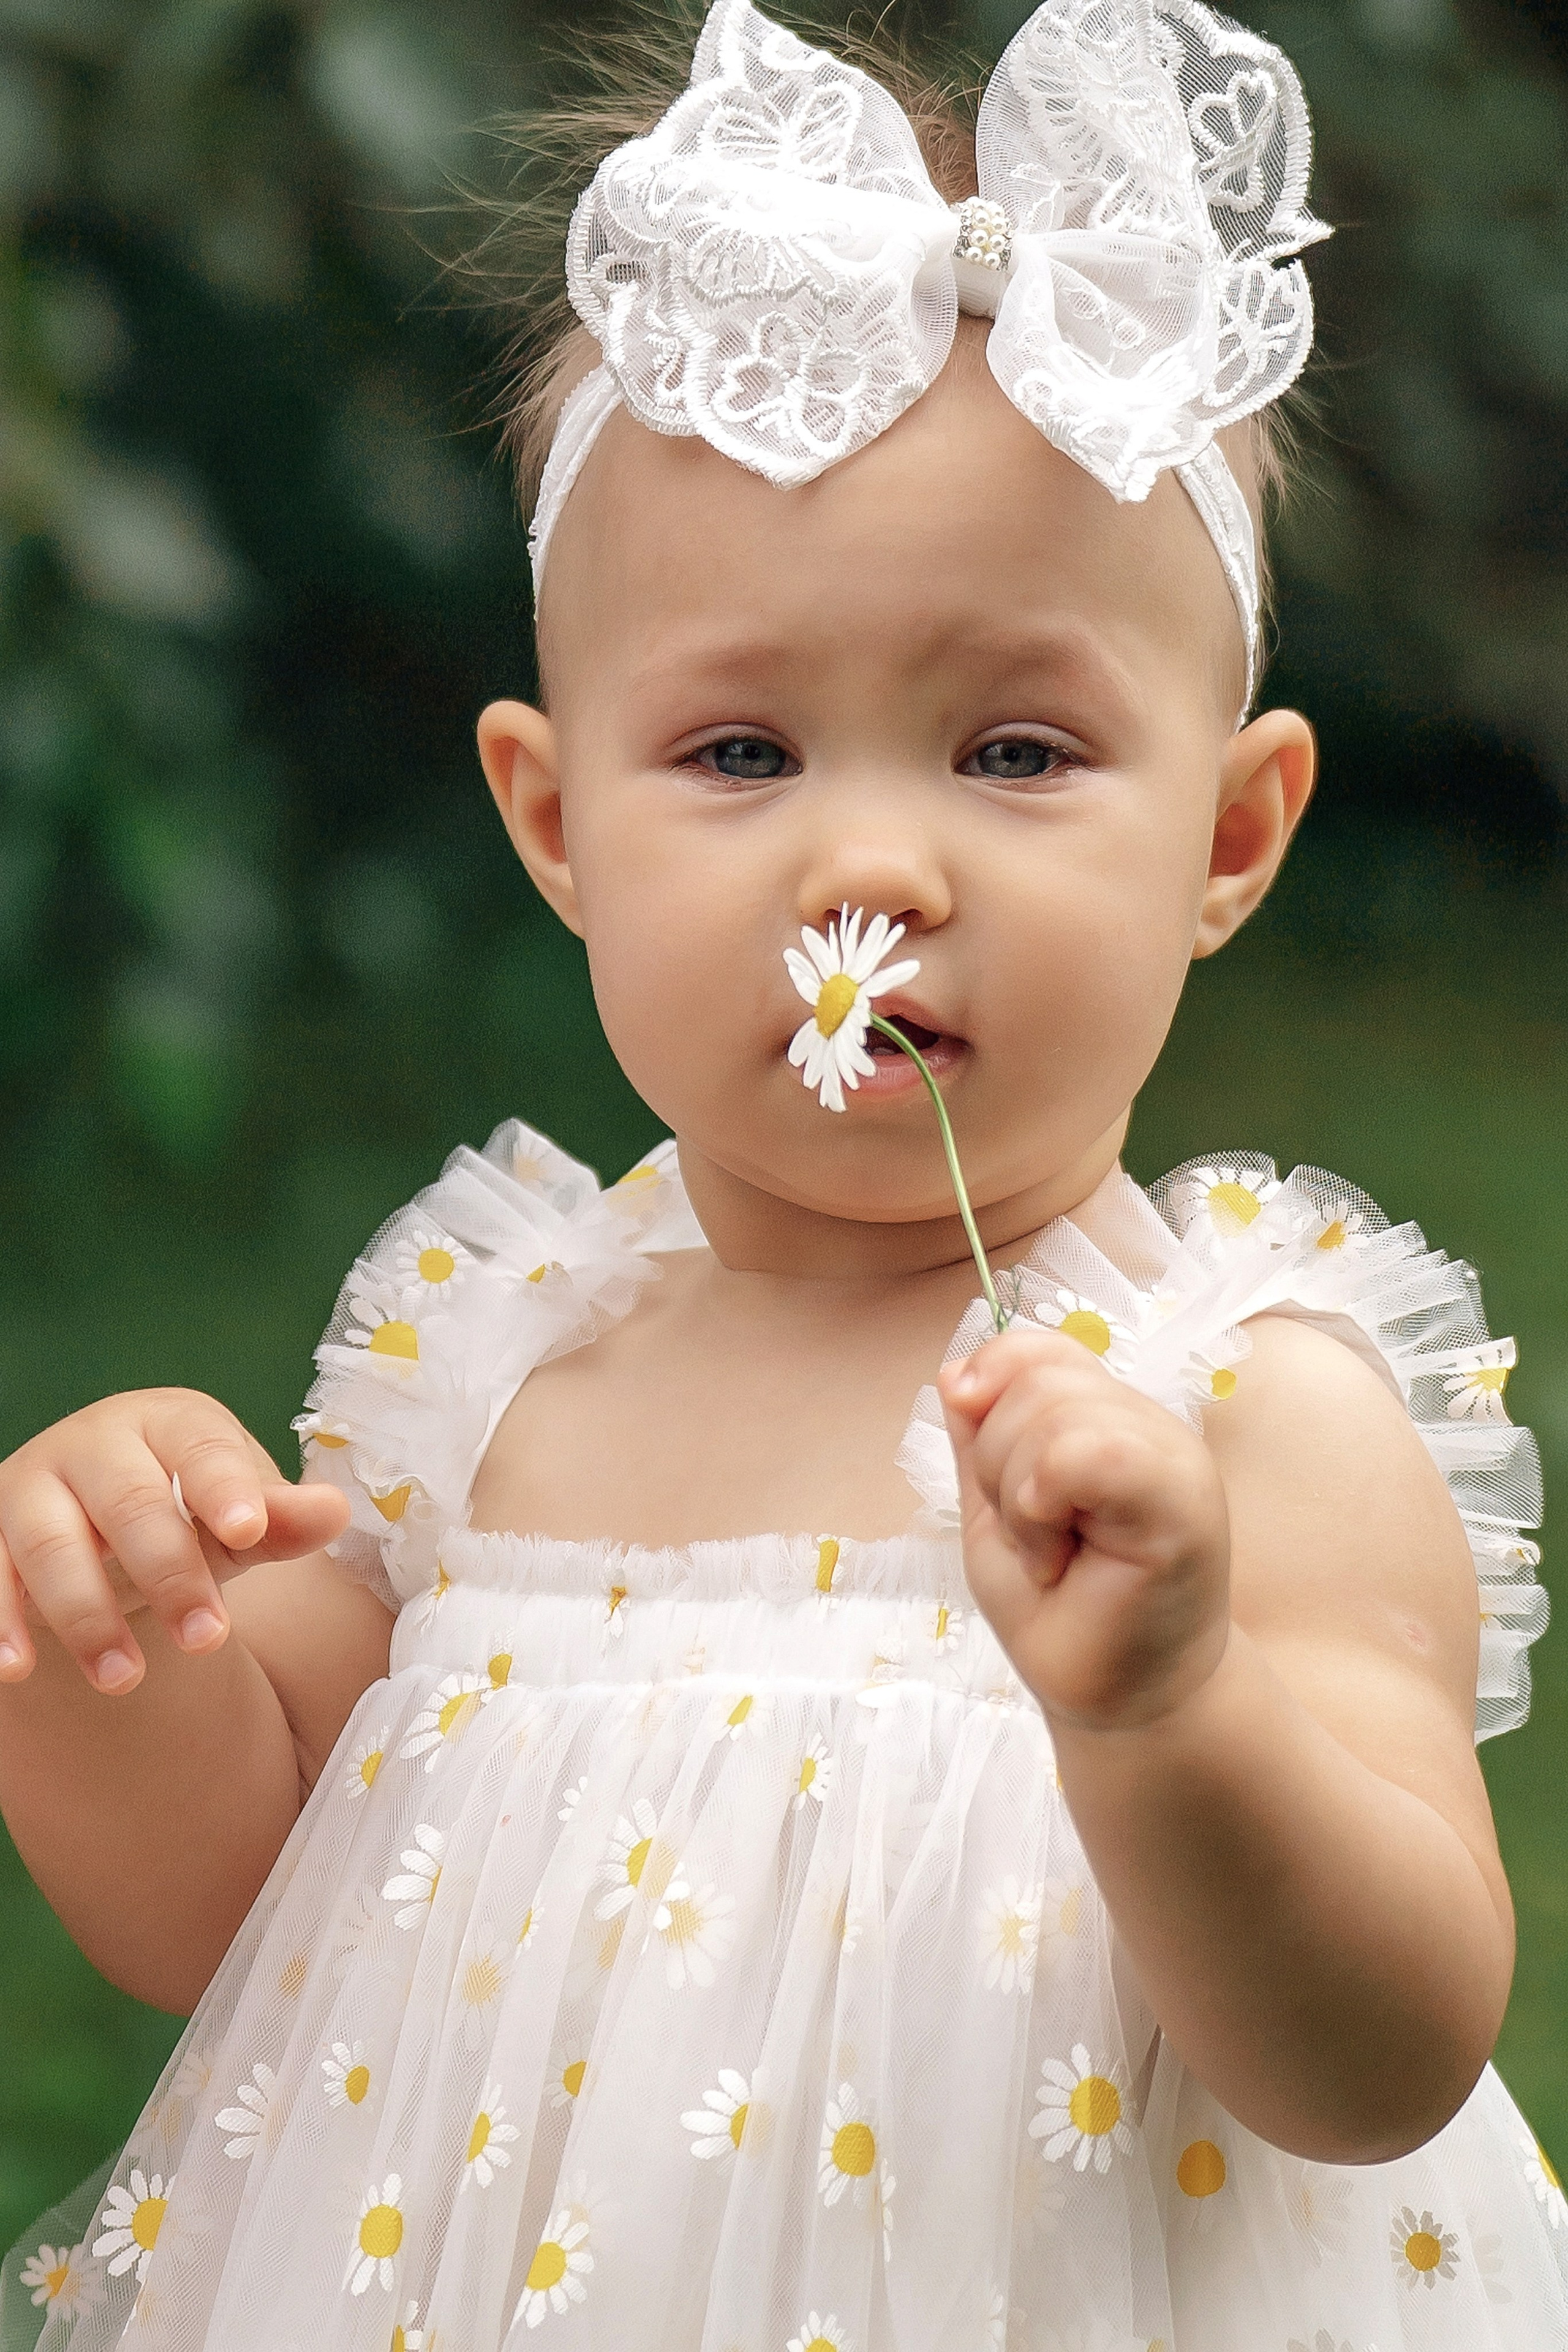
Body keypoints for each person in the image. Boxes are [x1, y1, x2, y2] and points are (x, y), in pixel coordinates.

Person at [0, 1, 1561, 2344]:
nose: (869, 862)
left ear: (1230, 836)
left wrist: (1169, 1709)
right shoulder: (494, 1373)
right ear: (555, 823)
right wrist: (111, 1661)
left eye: (1016, 750)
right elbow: (225, 1911)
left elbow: (1380, 2052)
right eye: (739, 749)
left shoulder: (1243, 1418)